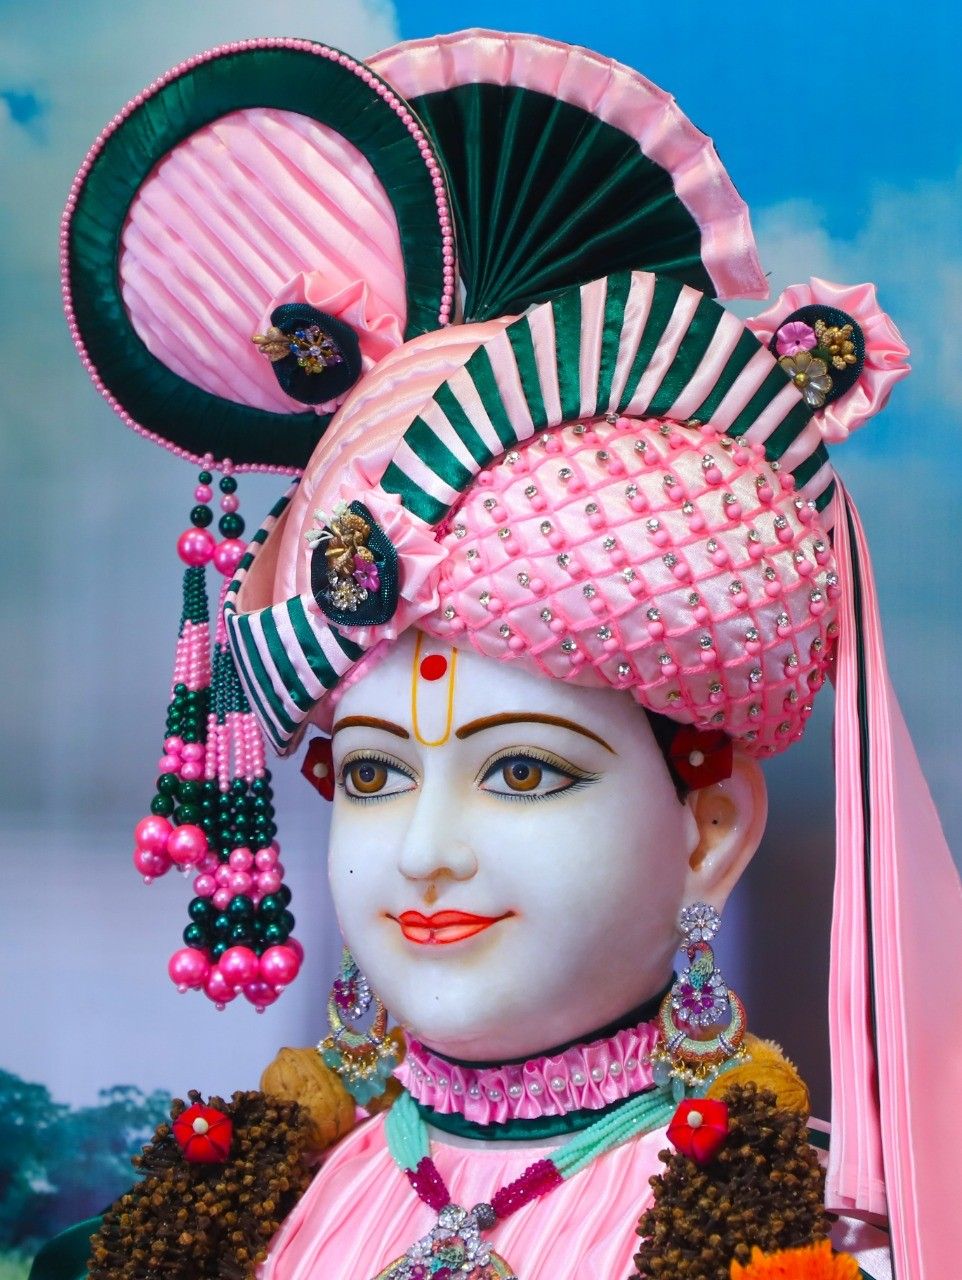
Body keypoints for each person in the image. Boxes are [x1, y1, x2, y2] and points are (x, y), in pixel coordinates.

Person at [42, 27, 959, 1280]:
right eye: (369, 774)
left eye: (521, 770)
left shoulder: (791, 1245)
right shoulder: (232, 1215)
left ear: (708, 829)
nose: (424, 849)